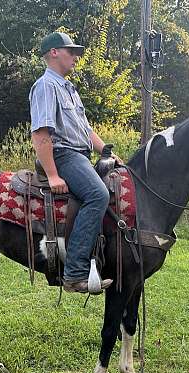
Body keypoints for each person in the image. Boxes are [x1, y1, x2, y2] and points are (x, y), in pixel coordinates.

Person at [29, 31, 120, 294]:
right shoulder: (46, 86)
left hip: (80, 155)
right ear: (54, 52)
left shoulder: (68, 88)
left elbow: (86, 130)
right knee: (97, 195)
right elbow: (41, 134)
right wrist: (53, 174)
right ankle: (75, 273)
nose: (76, 57)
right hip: (64, 155)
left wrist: (107, 151)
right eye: (72, 52)